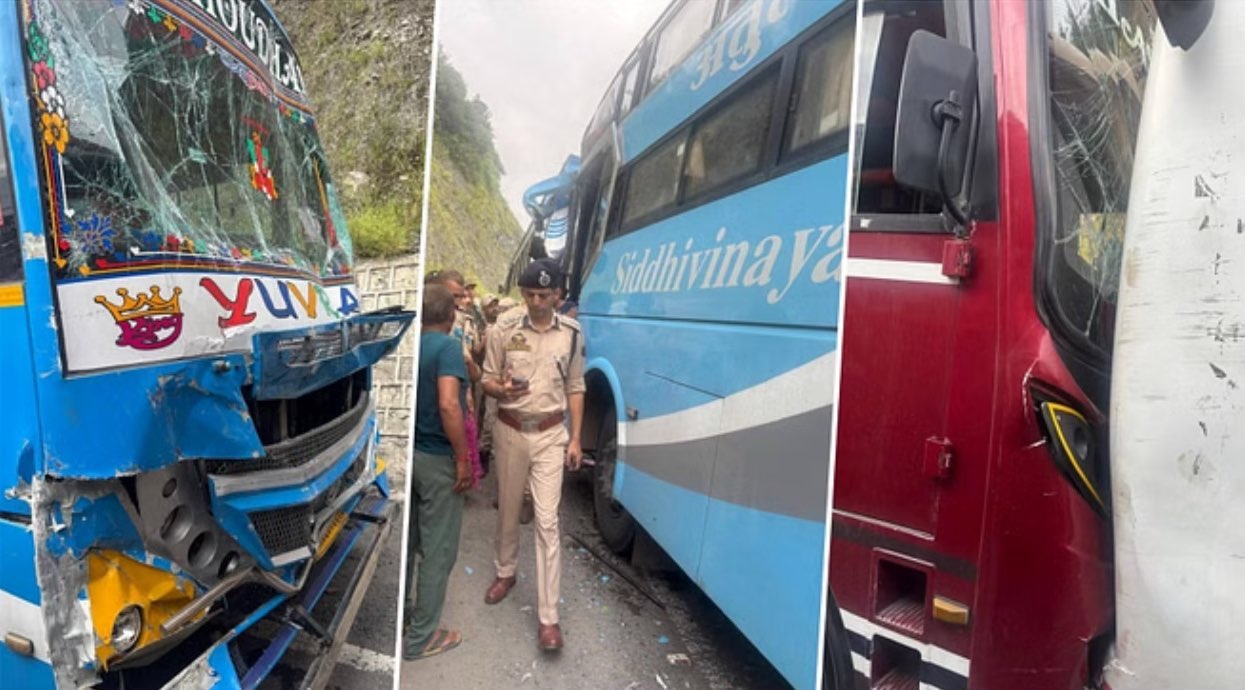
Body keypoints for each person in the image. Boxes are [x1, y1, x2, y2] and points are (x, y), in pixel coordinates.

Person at [480, 259, 584, 651]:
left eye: (543, 295)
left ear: (558, 294)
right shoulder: (503, 329)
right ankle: (505, 571)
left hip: (551, 435)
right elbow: (487, 379)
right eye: (529, 294)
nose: (536, 302)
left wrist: (575, 440)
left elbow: (576, 386)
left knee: (547, 522)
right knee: (508, 511)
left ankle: (548, 618)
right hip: (510, 430)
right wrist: (500, 390)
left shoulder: (571, 334)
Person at [403, 284, 472, 661]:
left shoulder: (413, 342)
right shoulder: (447, 347)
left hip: (412, 455)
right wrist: (462, 458)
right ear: (450, 315)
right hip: (436, 458)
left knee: (410, 542)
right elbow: (449, 404)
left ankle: (404, 617)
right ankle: (421, 639)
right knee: (437, 552)